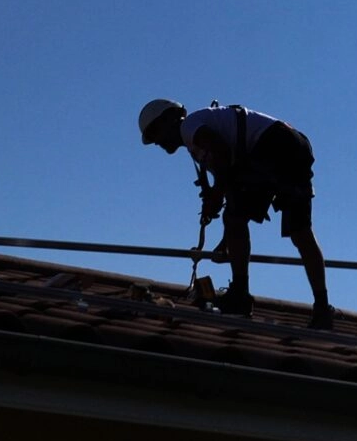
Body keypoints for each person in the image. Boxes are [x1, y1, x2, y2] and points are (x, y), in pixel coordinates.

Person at [138, 99, 332, 329]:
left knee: (238, 218)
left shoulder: (189, 127)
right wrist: (227, 238)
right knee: (300, 232)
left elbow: (223, 154)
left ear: (169, 119)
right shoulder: (198, 137)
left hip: (272, 145)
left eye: (155, 133)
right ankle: (322, 308)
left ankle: (240, 296)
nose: (157, 142)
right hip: (293, 145)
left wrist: (215, 198)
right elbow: (232, 187)